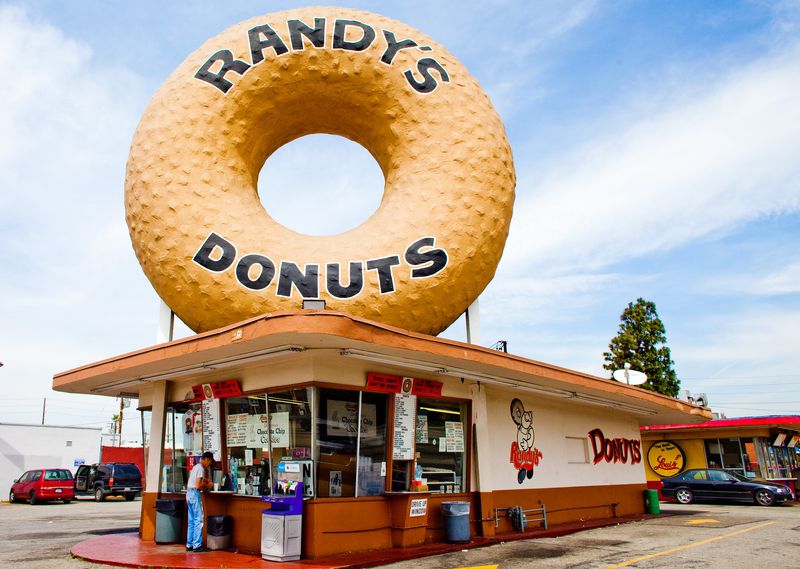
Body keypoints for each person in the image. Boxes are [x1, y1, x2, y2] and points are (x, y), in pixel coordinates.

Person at [186, 451, 214, 552]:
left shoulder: (195, 467)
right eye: (209, 462)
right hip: (194, 493)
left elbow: (196, 480)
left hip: (189, 493)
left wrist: (205, 481)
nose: (209, 465)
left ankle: (189, 544)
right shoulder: (201, 469)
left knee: (191, 520)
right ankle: (197, 545)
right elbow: (198, 485)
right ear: (207, 460)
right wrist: (208, 485)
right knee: (198, 520)